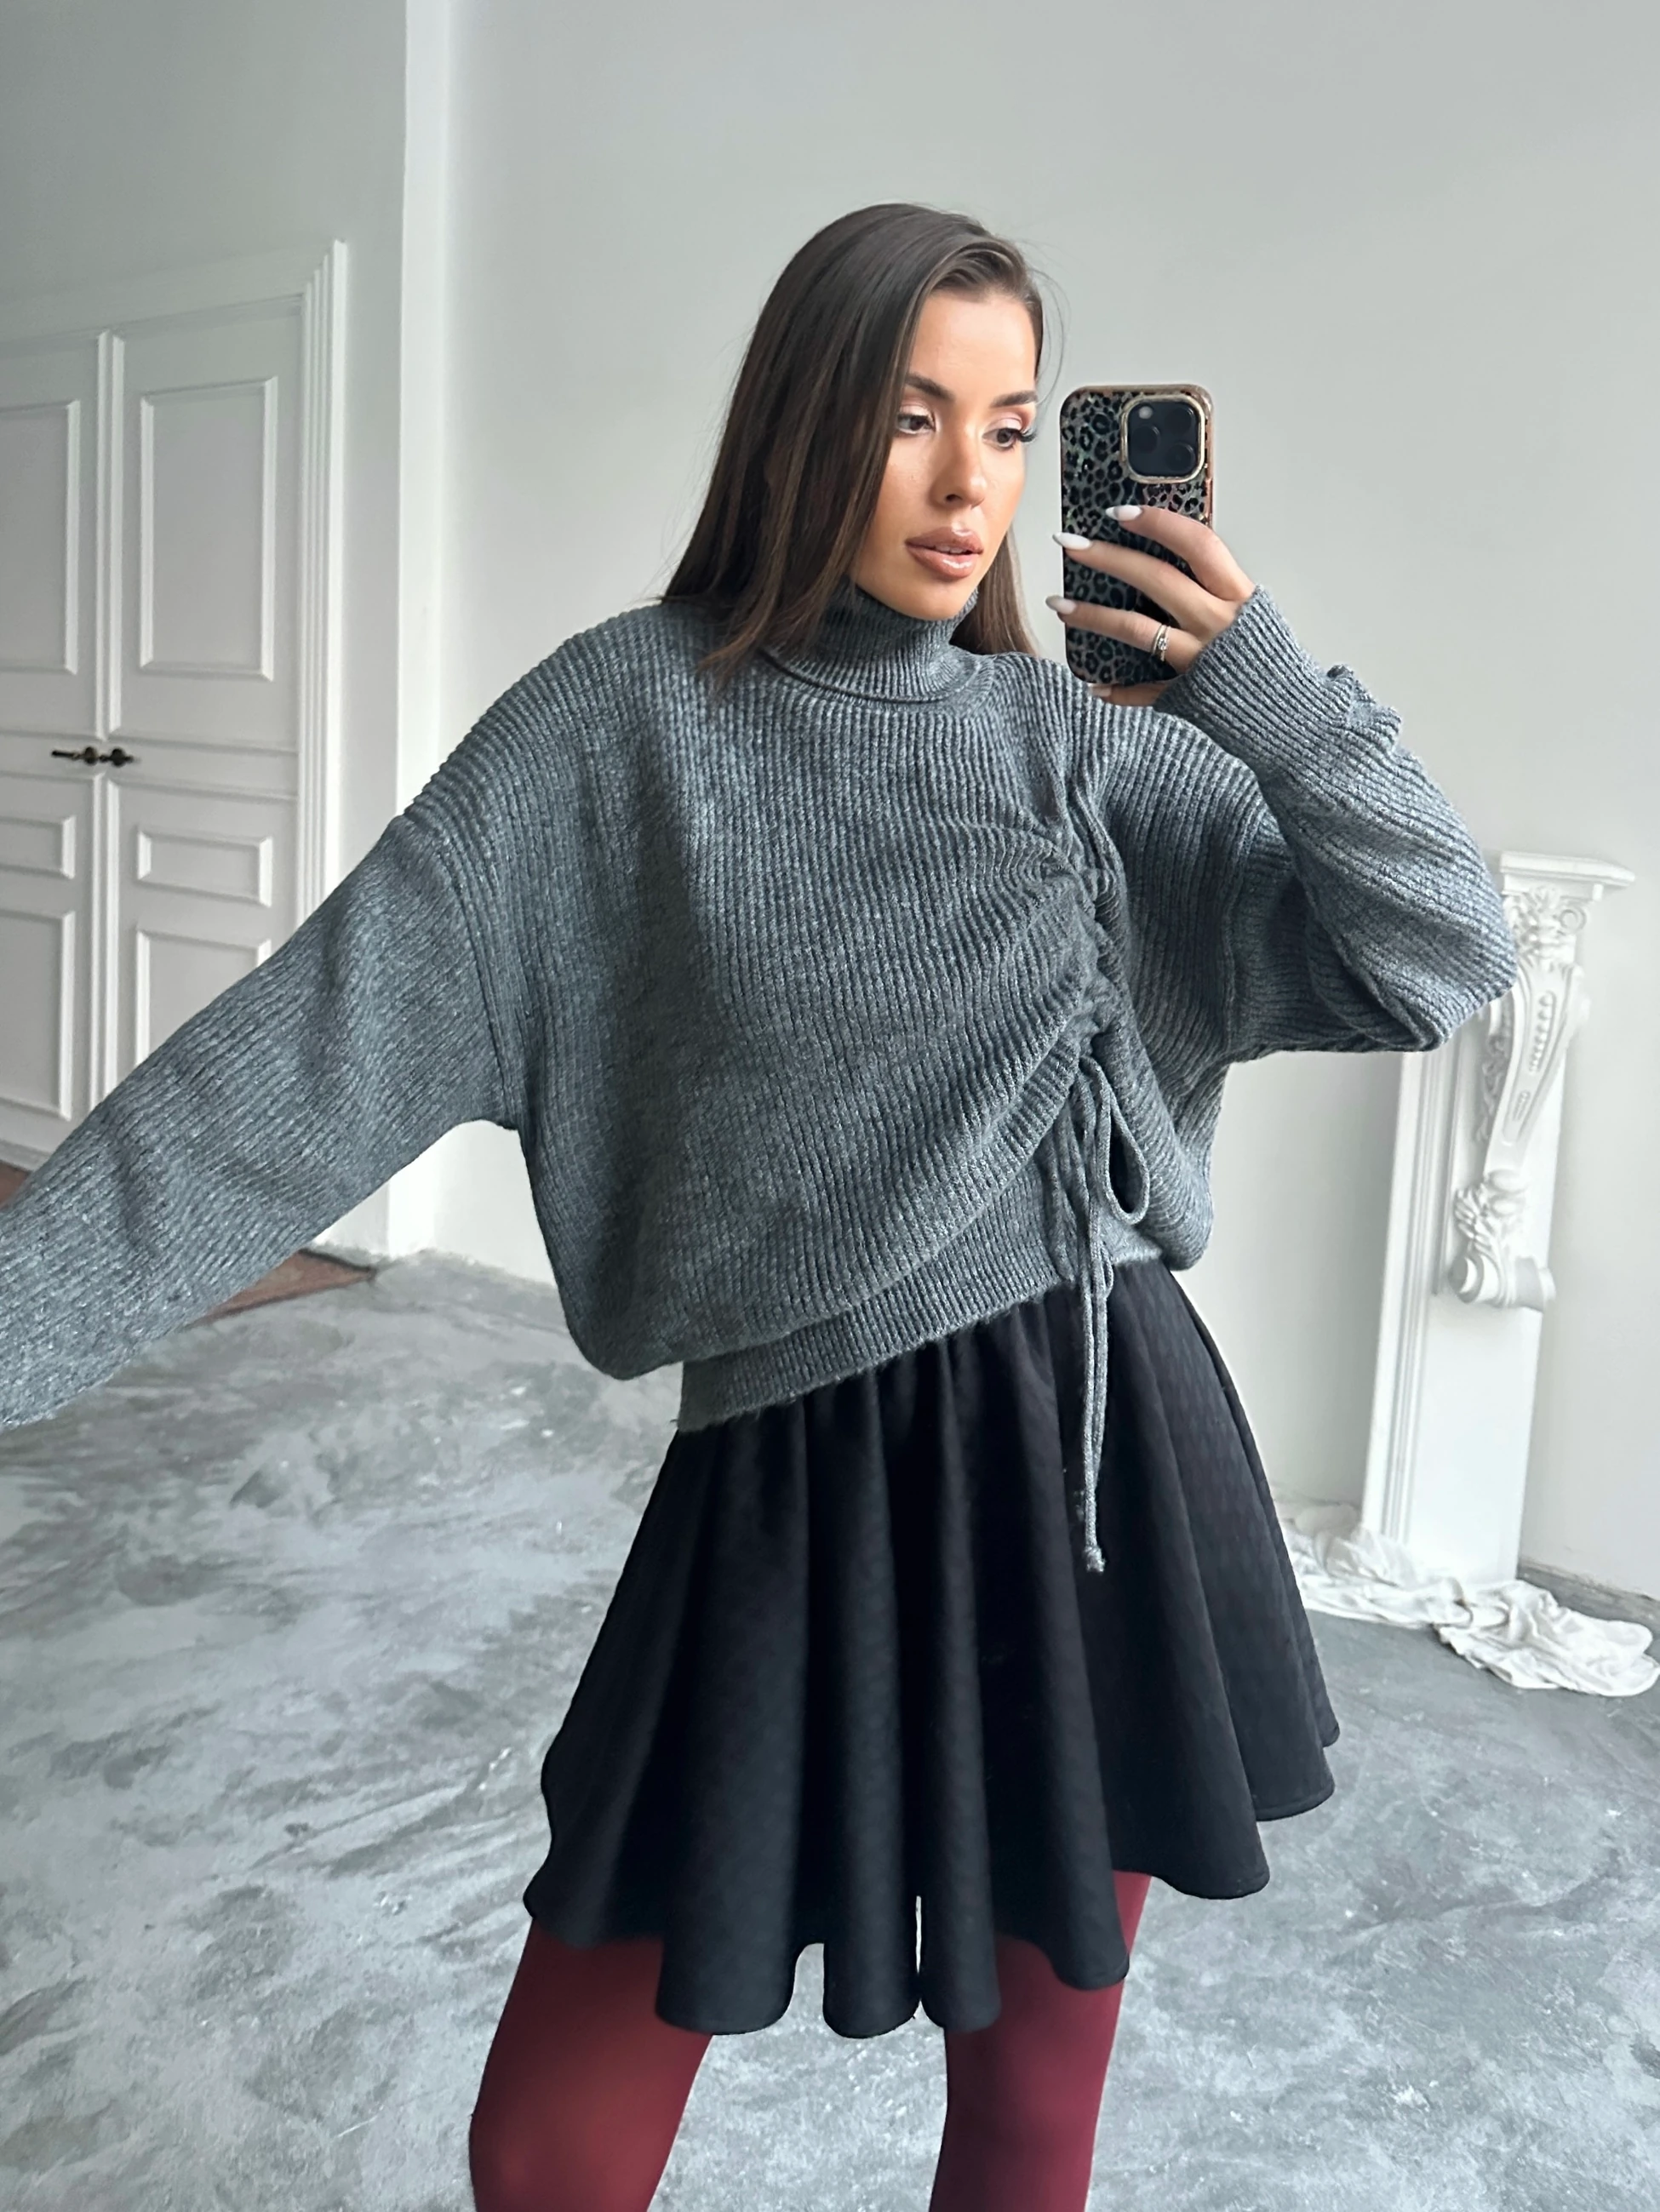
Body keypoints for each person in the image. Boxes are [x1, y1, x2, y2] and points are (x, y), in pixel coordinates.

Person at [0, 203, 1518, 2211]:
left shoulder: (1084, 756)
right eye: (911, 416)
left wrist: (1263, 692)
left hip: (1095, 1473)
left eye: (1012, 425)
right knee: (553, 2137)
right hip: (790, 1486)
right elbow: (277, 1083)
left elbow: (1443, 954)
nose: (969, 484)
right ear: (805, 419)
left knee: (1031, 2110)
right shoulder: (613, 733)